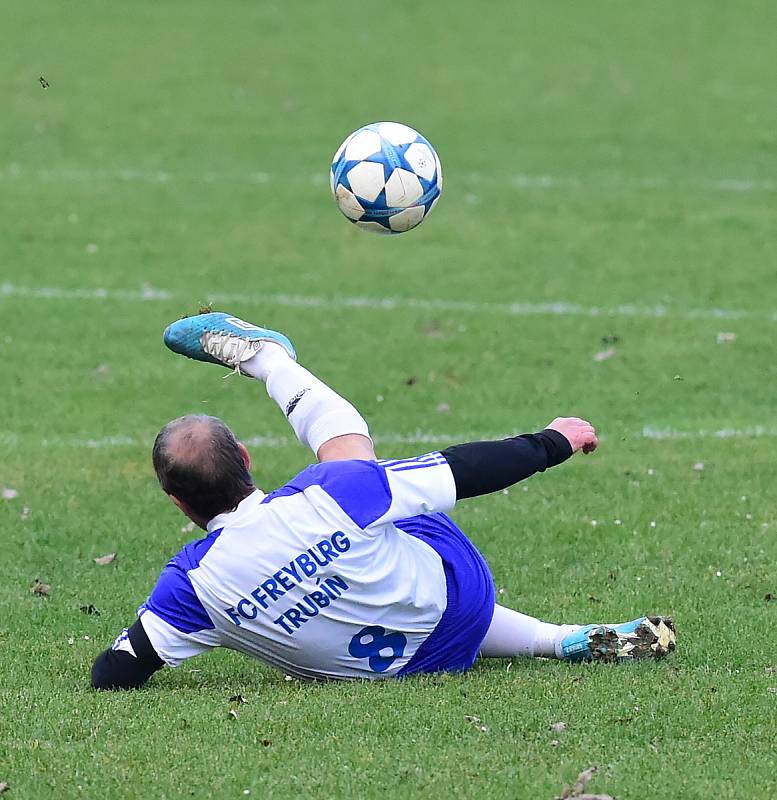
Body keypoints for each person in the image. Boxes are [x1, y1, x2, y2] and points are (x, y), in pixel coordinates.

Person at [91, 312, 676, 690]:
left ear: (175, 502)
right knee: (356, 470)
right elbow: (465, 470)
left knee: (356, 543)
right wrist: (554, 441)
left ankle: (554, 639)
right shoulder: (329, 496)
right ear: (244, 457)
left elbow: (116, 673)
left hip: (397, 669)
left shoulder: (189, 587)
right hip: (460, 599)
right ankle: (267, 360)